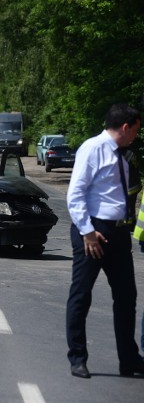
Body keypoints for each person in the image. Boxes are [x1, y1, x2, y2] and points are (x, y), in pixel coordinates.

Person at [65, 103, 144, 379]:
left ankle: (130, 361)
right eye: (136, 129)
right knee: (82, 295)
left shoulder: (122, 154)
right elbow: (75, 194)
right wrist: (87, 232)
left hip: (118, 233)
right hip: (93, 232)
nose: (137, 134)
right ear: (125, 127)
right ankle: (77, 358)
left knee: (126, 297)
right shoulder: (93, 149)